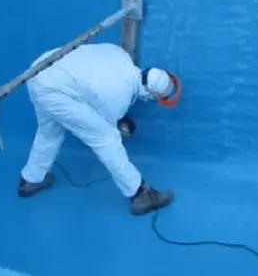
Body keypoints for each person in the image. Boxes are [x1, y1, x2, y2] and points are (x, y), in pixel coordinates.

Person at [17, 42, 181, 215]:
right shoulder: (119, 98)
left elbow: (92, 91)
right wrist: (120, 126)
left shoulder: (121, 55)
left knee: (49, 132)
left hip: (39, 69)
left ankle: (31, 179)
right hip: (53, 90)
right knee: (107, 139)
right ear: (149, 95)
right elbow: (106, 123)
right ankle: (139, 194)